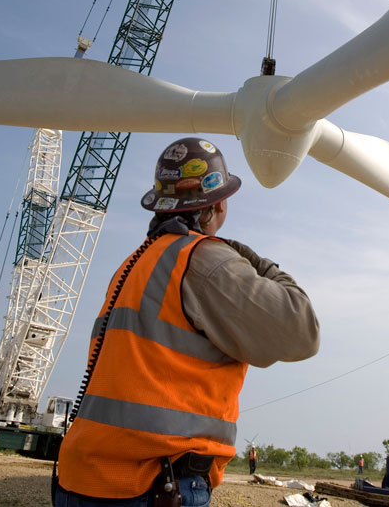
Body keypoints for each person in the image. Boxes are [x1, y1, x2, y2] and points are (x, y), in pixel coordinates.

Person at [55, 137, 321, 507]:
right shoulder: (205, 261)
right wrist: (257, 263)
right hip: (151, 484)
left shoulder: (137, 263)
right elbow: (301, 331)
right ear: (217, 205)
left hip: (83, 479)